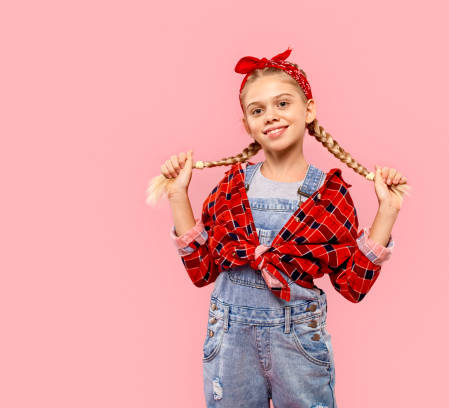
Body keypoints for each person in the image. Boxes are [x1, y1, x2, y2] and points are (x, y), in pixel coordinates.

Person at [159, 47, 409, 407]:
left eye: (283, 104)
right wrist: (177, 195)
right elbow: (202, 271)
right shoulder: (232, 186)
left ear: (309, 109)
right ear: (247, 125)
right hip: (230, 345)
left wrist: (388, 211)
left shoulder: (330, 195)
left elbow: (354, 287)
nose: (271, 116)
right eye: (257, 110)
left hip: (298, 346)